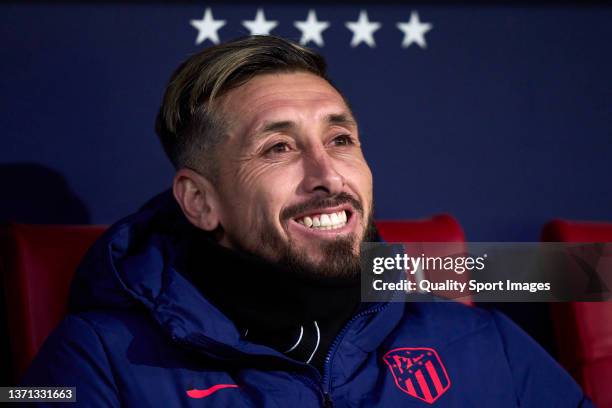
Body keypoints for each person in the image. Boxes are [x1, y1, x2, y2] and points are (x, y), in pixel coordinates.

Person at [22, 36, 591, 407]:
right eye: (277, 148)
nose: (328, 175)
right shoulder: (95, 358)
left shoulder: (480, 339)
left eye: (341, 140)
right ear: (199, 202)